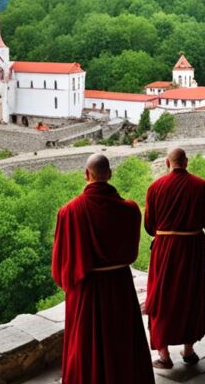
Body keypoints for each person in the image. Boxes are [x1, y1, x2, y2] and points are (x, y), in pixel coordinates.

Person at [51, 154, 154, 384]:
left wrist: (70, 282)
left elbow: (61, 266)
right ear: (109, 174)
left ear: (87, 175)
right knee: (122, 341)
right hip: (120, 287)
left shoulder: (69, 213)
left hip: (87, 292)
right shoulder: (130, 210)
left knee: (88, 346)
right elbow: (131, 252)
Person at [144, 148, 205, 369]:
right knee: (191, 296)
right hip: (192, 250)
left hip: (164, 251)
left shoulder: (155, 188)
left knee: (162, 299)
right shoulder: (202, 186)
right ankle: (188, 351)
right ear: (186, 162)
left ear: (168, 163)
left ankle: (164, 355)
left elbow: (150, 226)